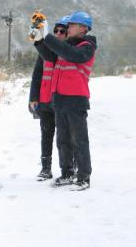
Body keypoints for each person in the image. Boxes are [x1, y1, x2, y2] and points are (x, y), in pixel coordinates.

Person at [30, 11, 97, 191]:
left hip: (76, 100)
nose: (68, 28)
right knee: (63, 140)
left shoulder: (86, 46)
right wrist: (38, 38)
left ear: (83, 28)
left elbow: (70, 54)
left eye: (72, 25)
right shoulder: (65, 46)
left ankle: (83, 177)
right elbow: (49, 56)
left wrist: (47, 35)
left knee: (79, 140)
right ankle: (67, 173)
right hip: (59, 100)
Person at [28, 16, 69, 180]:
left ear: (67, 34)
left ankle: (67, 169)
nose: (58, 34)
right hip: (44, 100)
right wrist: (33, 97)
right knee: (46, 135)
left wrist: (41, 41)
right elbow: (36, 75)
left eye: (62, 31)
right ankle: (45, 169)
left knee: (64, 137)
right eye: (56, 31)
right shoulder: (44, 51)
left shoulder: (67, 50)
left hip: (61, 101)